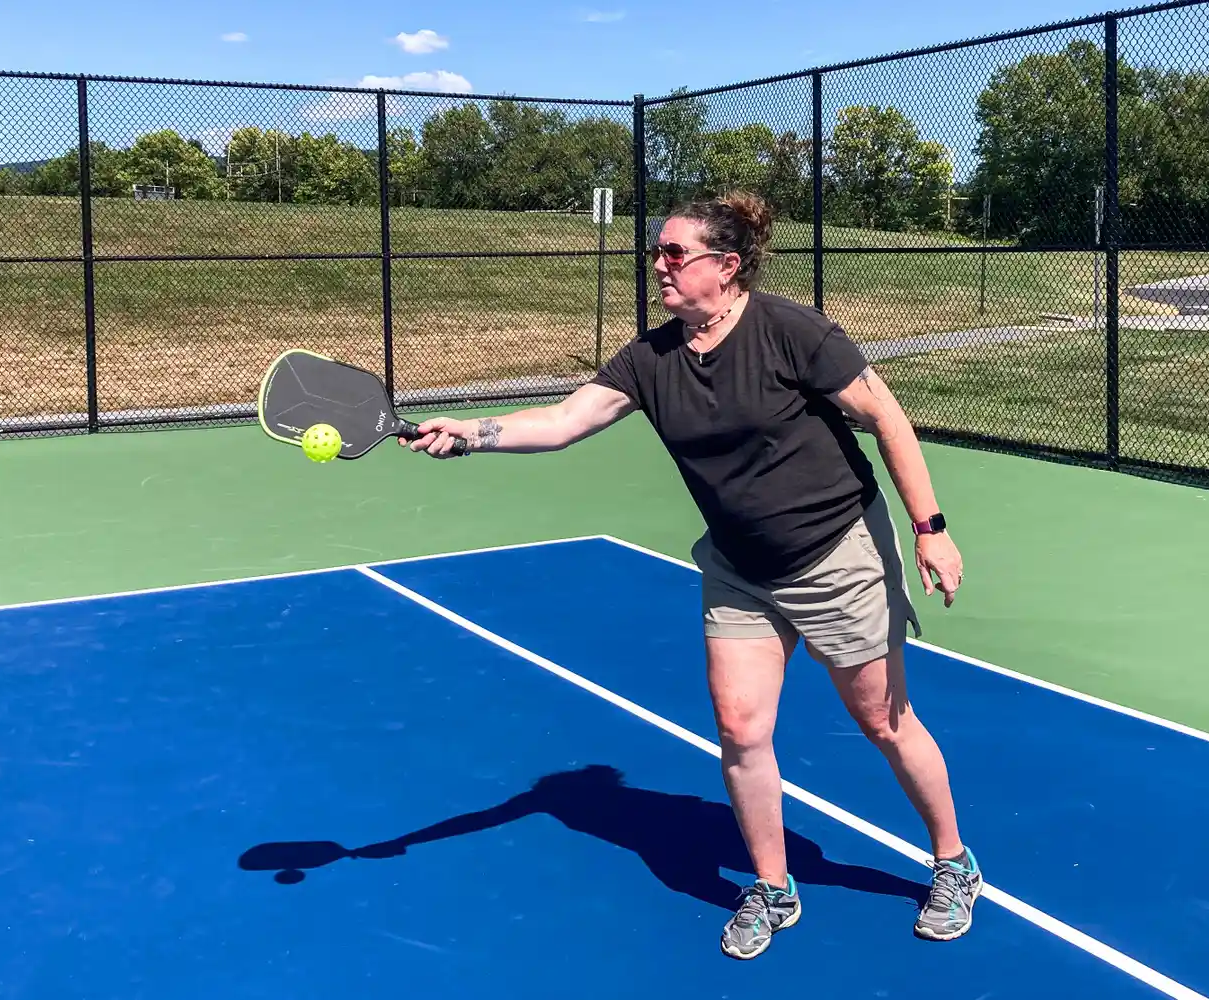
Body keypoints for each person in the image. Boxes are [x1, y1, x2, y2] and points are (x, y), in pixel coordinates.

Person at [401, 190, 982, 959]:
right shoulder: (650, 358)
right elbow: (565, 421)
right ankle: (772, 888)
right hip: (740, 567)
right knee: (742, 729)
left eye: (676, 253)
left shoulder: (789, 332)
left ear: (727, 267)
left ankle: (953, 861)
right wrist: (472, 432)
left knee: (883, 720)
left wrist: (930, 530)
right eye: (657, 253)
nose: (660, 266)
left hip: (837, 553)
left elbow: (888, 418)